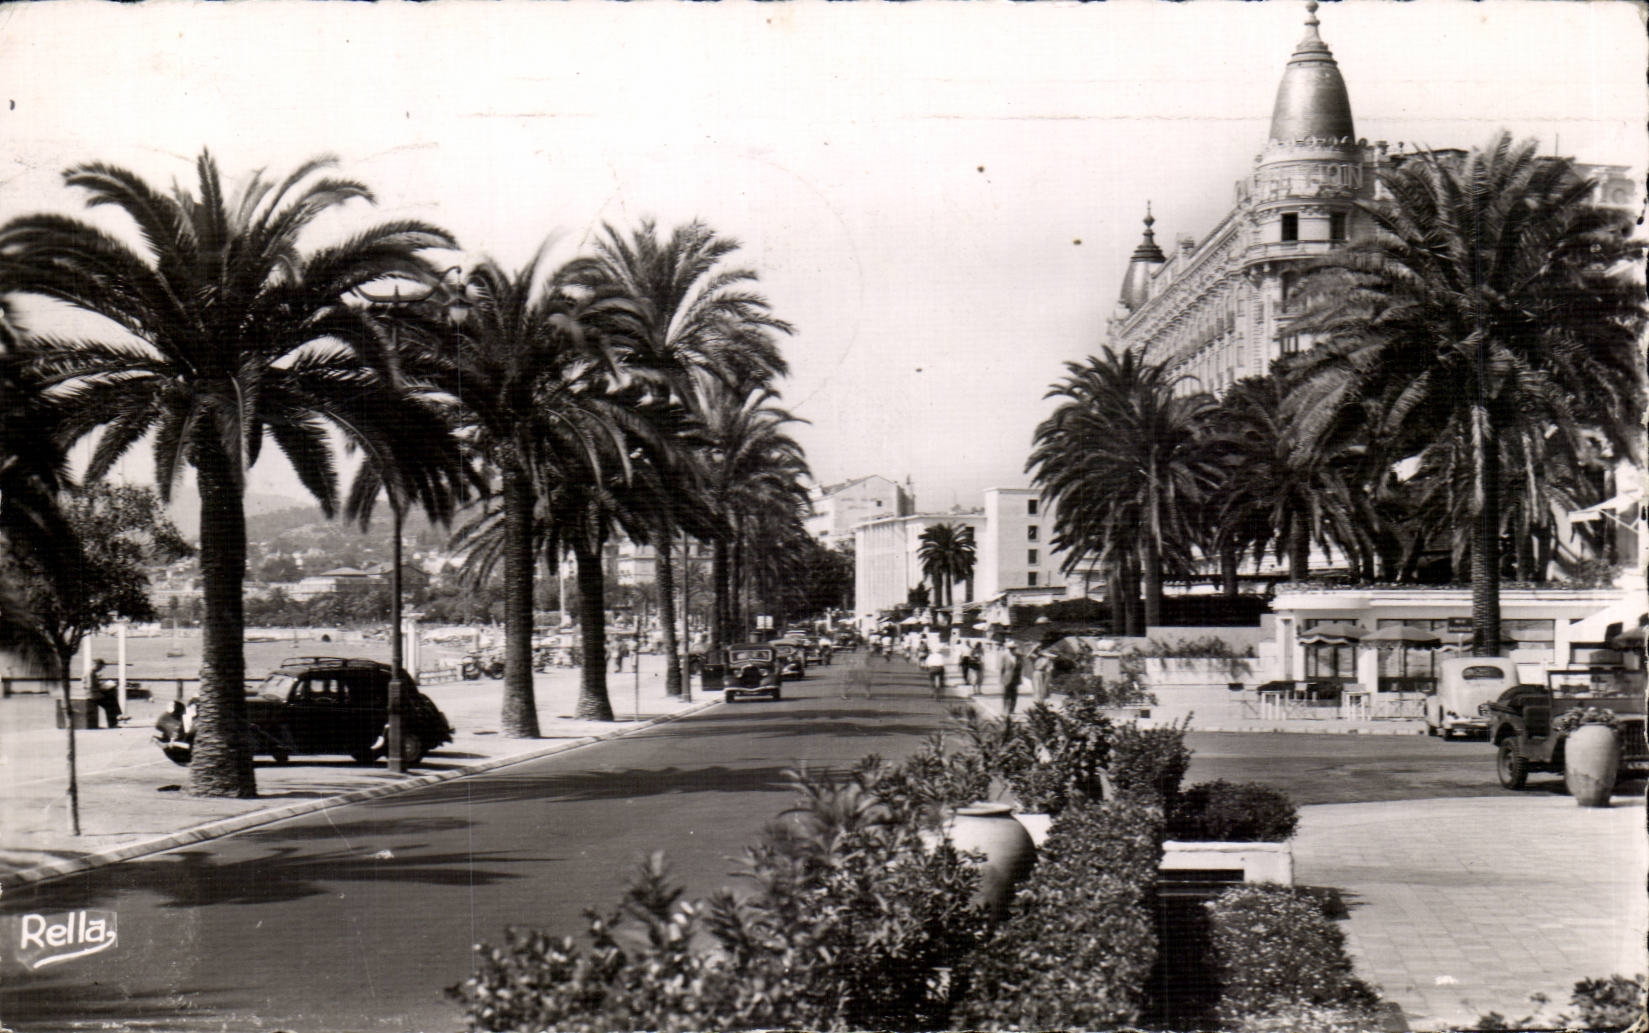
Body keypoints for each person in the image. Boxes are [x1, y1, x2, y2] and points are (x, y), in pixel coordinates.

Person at [88, 659, 125, 727]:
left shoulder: (92, 673)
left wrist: (102, 686)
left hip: (94, 694)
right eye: (101, 667)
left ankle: (116, 718)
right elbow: (90, 686)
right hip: (92, 695)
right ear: (97, 665)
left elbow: (94, 685)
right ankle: (114, 721)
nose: (101, 669)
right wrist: (102, 688)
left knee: (111, 698)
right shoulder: (90, 674)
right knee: (110, 703)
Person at [1000, 644, 1023, 716]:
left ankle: (1012, 710)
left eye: (1013, 649)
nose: (1012, 650)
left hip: (1015, 677)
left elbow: (1020, 667)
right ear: (1009, 649)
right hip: (1007, 676)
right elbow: (1002, 668)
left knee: (1014, 694)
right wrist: (1002, 678)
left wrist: (1019, 678)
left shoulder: (1018, 656)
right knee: (1006, 694)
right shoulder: (1005, 656)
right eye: (1011, 649)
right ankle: (1005, 709)